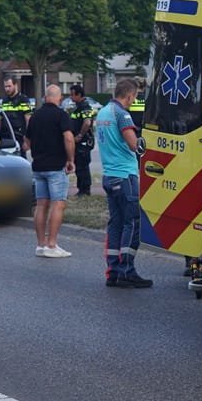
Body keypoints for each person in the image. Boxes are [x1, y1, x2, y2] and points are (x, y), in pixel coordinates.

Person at [96, 77, 152, 288]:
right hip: (125, 175)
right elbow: (133, 145)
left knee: (116, 223)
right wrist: (148, 142)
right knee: (133, 222)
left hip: (109, 175)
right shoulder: (122, 114)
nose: (134, 100)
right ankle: (127, 270)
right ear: (129, 95)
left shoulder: (103, 112)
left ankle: (113, 271)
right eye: (134, 96)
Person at [23, 84, 75, 258]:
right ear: (58, 98)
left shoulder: (35, 116)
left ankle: (40, 245)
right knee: (58, 204)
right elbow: (68, 138)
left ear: (46, 97)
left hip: (38, 167)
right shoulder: (61, 115)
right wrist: (70, 160)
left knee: (41, 205)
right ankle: (52, 244)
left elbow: (27, 141)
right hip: (56, 167)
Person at [66, 84, 98, 196]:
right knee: (79, 165)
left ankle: (85, 189)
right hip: (78, 142)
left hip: (83, 141)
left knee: (83, 166)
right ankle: (81, 189)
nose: (70, 97)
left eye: (72, 94)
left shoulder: (85, 107)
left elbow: (87, 122)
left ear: (79, 95)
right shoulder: (78, 107)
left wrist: (80, 135)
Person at [0, 77, 34, 153]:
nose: (7, 89)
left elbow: (28, 120)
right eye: (5, 86)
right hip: (5, 137)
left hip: (18, 136)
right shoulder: (4, 100)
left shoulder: (23, 100)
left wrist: (27, 140)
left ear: (15, 85)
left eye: (9, 86)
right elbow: (1, 118)